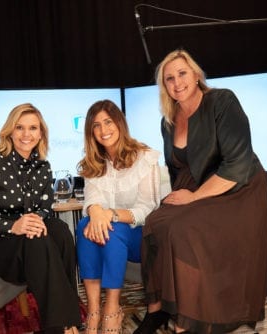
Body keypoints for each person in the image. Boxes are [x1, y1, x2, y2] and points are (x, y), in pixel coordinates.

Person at [134, 49, 267, 334]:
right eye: (169, 79)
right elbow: (178, 169)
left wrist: (194, 198)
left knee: (183, 229)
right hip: (199, 185)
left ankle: (190, 318)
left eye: (182, 74)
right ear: (163, 86)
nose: (177, 83)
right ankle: (158, 310)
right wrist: (177, 198)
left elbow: (237, 163)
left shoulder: (222, 101)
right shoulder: (168, 120)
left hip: (239, 187)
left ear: (196, 74)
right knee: (156, 221)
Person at [0, 103, 81, 334]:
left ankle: (66, 320)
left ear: (41, 132)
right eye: (20, 127)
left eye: (33, 128)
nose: (26, 134)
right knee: (37, 238)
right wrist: (14, 226)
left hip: (27, 241)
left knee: (60, 230)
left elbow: (45, 207)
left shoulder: (43, 166)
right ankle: (61, 326)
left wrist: (32, 221)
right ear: (10, 131)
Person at [75, 99, 163, 333]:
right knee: (84, 227)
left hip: (140, 237)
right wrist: (95, 211)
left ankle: (112, 307)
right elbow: (92, 199)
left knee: (110, 230)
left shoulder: (145, 158)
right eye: (96, 125)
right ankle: (94, 311)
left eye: (108, 122)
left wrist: (110, 214)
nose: (104, 130)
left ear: (119, 123)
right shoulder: (94, 162)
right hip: (109, 231)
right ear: (90, 132)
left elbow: (148, 208)